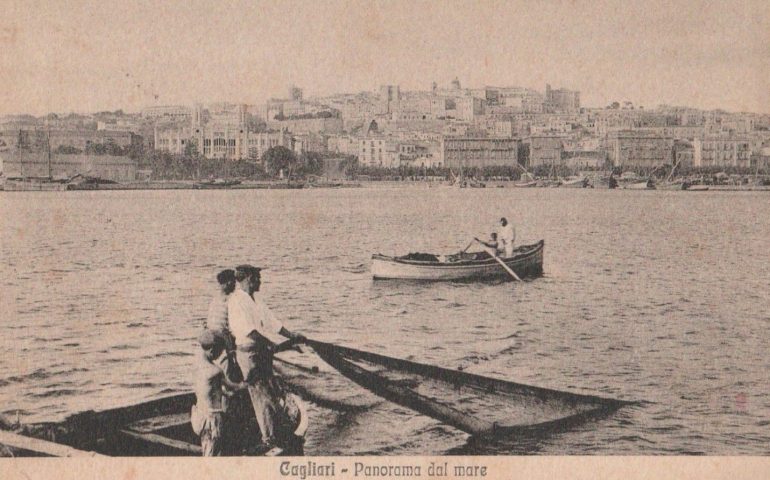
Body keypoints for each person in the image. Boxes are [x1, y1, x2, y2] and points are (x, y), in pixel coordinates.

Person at [227, 264, 305, 451]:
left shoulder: (256, 299)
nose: (260, 281)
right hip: (250, 352)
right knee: (261, 394)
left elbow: (271, 321)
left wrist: (291, 335)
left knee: (269, 391)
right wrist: (269, 344)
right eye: (256, 278)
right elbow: (248, 330)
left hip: (261, 351)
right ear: (246, 279)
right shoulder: (236, 301)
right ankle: (269, 438)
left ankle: (274, 431)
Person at [191, 329, 247, 456]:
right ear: (212, 350)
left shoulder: (198, 364)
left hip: (199, 414)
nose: (219, 355)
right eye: (219, 352)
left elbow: (210, 389)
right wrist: (247, 383)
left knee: (207, 447)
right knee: (212, 453)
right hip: (212, 420)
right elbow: (235, 387)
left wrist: (226, 394)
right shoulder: (215, 371)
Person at [206, 269, 241, 382]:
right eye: (232, 282)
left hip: (213, 339)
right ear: (225, 283)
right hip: (223, 340)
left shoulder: (215, 300)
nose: (235, 284)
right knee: (230, 371)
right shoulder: (231, 300)